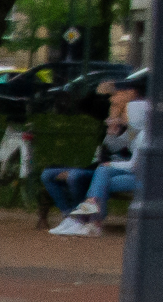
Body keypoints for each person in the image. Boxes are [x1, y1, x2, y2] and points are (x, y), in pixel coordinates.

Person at [48, 88, 146, 236]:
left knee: (102, 173)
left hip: (145, 179)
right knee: (102, 180)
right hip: (136, 176)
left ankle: (84, 219)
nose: (124, 116)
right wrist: (112, 132)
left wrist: (110, 164)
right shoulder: (137, 134)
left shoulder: (144, 136)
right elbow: (113, 146)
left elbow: (134, 165)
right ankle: (90, 221)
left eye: (127, 113)